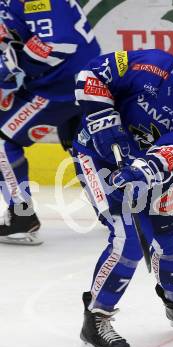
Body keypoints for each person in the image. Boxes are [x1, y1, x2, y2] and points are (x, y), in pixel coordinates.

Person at [73, 24, 173, 347]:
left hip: (148, 175)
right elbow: (91, 75)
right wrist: (105, 124)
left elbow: (171, 156)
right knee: (125, 243)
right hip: (95, 158)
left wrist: (138, 169)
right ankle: (95, 320)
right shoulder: (150, 64)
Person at [0, 0, 100, 245]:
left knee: (2, 140)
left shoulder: (37, 1)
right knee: (82, 147)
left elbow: (59, 43)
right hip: (79, 78)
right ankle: (125, 210)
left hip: (60, 86)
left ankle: (21, 217)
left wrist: (17, 66)